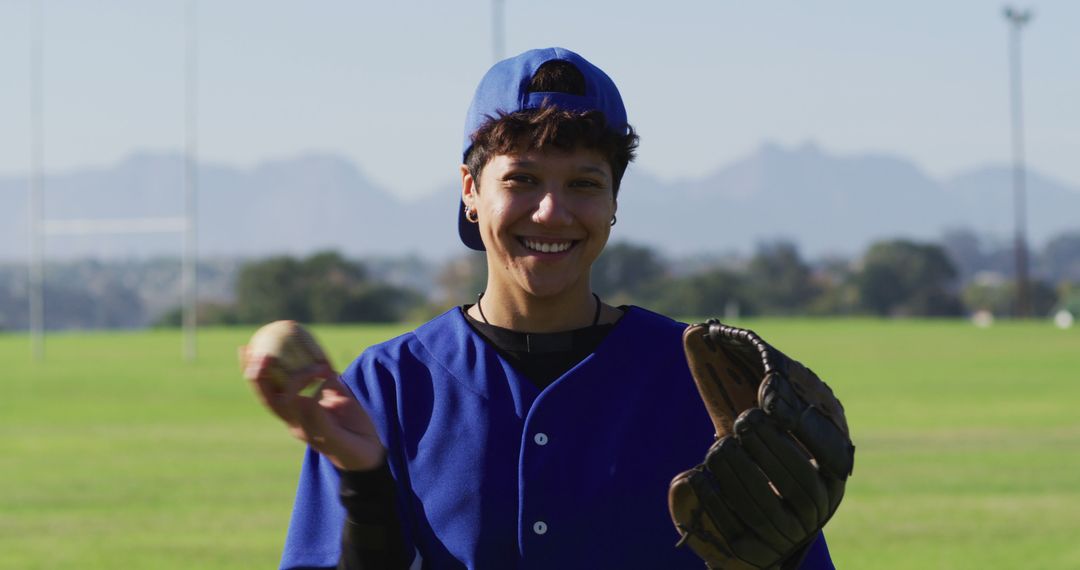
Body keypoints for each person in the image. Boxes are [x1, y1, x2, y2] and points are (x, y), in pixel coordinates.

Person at [245, 47, 836, 569]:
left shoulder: (704, 380)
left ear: (613, 201)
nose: (551, 212)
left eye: (583, 183)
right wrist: (366, 489)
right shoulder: (387, 388)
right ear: (470, 191)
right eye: (522, 179)